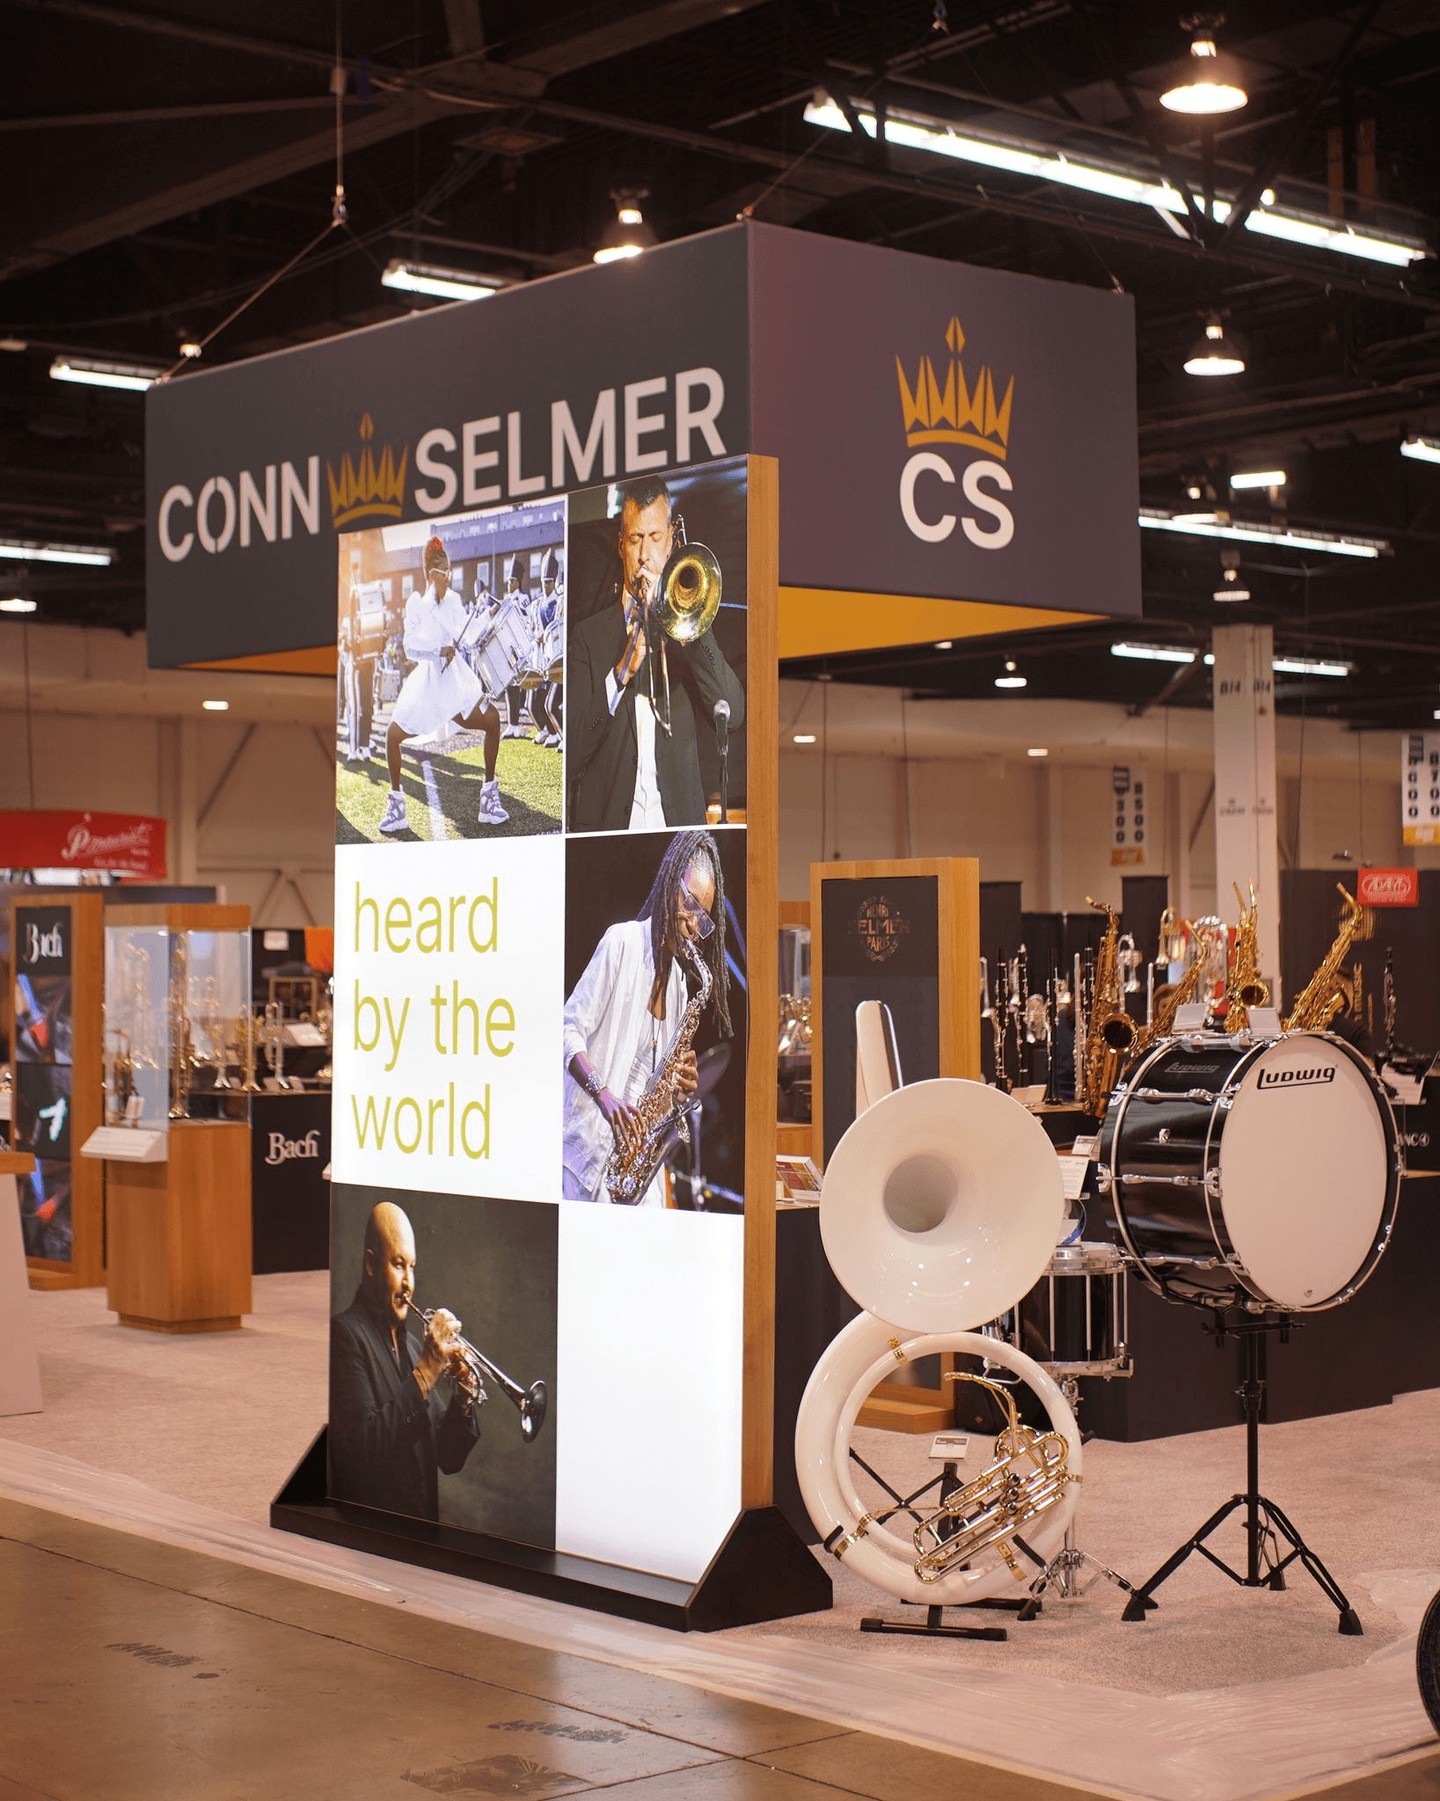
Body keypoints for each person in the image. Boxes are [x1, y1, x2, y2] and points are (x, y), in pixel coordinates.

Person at [562, 829, 732, 1205]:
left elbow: (656, 1095)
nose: (693, 924)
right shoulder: (621, 943)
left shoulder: (679, 988)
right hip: (586, 1158)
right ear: (671, 883)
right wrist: (604, 1096)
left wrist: (678, 1089)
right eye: (690, 904)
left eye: (703, 919)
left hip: (631, 1168)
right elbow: (567, 1029)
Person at [567, 478, 743, 832]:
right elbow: (572, 754)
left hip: (678, 838)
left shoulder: (691, 635)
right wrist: (621, 671)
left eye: (655, 537)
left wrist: (689, 628)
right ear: (621, 545)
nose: (644, 555)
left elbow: (733, 713)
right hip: (610, 839)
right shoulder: (587, 636)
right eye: (635, 539)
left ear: (672, 540)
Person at [329, 1201, 481, 1520]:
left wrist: (463, 1398)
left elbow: (448, 1458)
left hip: (421, 1527)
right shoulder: (345, 1334)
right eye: (398, 1265)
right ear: (371, 1264)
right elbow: (364, 1449)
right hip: (373, 1529)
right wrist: (426, 1372)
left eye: (412, 1267)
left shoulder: (412, 1346)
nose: (408, 1283)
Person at [379, 536, 509, 835]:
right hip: (428, 684)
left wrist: (488, 616)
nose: (448, 576)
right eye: (443, 571)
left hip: (455, 683)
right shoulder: (416, 604)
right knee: (392, 736)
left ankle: (488, 802)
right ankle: (397, 809)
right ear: (430, 574)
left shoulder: (452, 601)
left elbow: (468, 633)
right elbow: (411, 647)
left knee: (493, 721)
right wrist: (439, 650)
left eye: (450, 570)